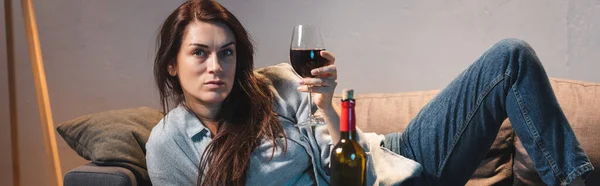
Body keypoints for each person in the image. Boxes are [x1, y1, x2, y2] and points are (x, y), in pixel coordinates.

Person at [145, 0, 594, 185]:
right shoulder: (171, 144)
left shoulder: (277, 85)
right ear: (172, 62)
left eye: (226, 53)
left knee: (509, 57)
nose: (215, 66)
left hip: (388, 158)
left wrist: (326, 105)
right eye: (199, 53)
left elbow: (343, 158)